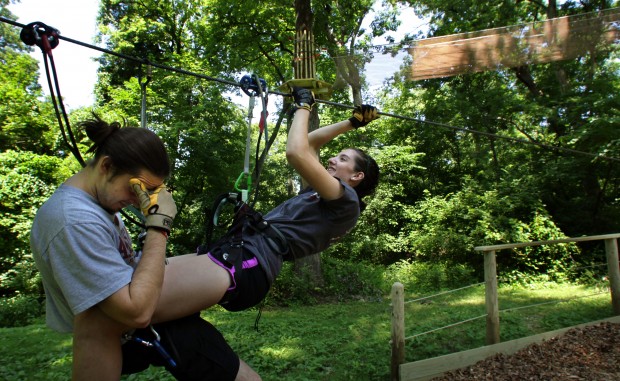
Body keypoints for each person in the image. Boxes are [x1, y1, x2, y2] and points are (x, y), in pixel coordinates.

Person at [31, 114, 261, 381]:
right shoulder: (75, 221)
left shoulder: (96, 205)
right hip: (128, 330)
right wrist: (158, 226)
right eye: (135, 189)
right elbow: (136, 312)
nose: (135, 201)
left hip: (143, 322)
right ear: (106, 166)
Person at [151, 87, 380, 323]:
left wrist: (304, 105)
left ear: (357, 176)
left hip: (252, 260)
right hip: (241, 248)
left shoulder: (347, 201)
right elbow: (308, 144)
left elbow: (296, 151)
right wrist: (351, 123)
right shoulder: (323, 194)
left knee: (145, 301)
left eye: (343, 159)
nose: (332, 159)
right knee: (146, 276)